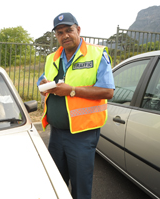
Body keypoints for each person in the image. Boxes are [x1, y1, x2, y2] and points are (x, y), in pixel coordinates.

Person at [39, 12, 115, 199]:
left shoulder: (97, 54)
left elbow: (108, 92)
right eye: (59, 32)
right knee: (56, 184)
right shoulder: (52, 57)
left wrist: (72, 90)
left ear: (78, 30)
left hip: (83, 135)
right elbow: (43, 79)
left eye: (69, 30)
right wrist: (42, 86)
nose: (64, 35)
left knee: (81, 188)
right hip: (56, 133)